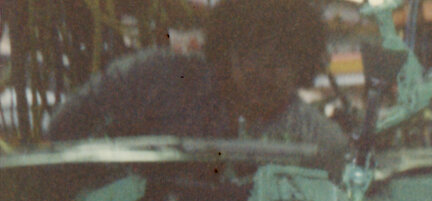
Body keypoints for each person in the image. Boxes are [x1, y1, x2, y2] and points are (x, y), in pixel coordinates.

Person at [46, 0, 347, 154]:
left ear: (303, 66)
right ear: (227, 47)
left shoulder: (319, 144)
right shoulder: (151, 80)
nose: (264, 71)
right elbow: (61, 134)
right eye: (253, 51)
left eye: (283, 59)